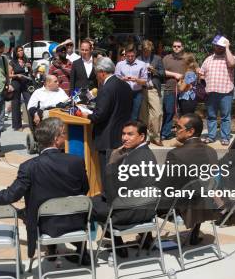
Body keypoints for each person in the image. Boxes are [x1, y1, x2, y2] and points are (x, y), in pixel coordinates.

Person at [0, 117, 90, 263]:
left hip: (46, 225)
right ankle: (80, 250)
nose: (65, 136)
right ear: (56, 139)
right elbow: (85, 189)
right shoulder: (77, 161)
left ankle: (51, 247)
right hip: (75, 221)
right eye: (63, 133)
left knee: (26, 210)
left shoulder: (29, 167)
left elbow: (9, 196)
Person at [91, 120, 158, 256]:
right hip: (148, 210)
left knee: (92, 203)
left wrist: (111, 164)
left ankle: (118, 244)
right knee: (99, 198)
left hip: (128, 213)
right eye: (123, 134)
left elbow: (113, 195)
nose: (124, 138)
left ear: (142, 137)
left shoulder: (135, 158)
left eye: (130, 134)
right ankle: (147, 239)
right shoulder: (146, 153)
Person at [159, 113, 219, 245]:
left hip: (182, 205)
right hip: (205, 202)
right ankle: (194, 233)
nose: (174, 130)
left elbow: (164, 186)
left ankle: (144, 238)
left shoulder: (176, 154)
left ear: (190, 131)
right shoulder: (211, 151)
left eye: (178, 127)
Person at [84, 57, 132, 185]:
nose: (96, 77)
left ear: (102, 72)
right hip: (122, 135)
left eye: (96, 73)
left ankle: (108, 200)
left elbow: (99, 115)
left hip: (107, 138)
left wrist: (86, 116)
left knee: (108, 174)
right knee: (120, 172)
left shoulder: (106, 88)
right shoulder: (125, 85)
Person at [199, 35, 235, 145]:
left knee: (225, 117)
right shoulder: (208, 59)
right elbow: (201, 74)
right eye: (218, 46)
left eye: (222, 46)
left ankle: (225, 137)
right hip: (210, 92)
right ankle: (211, 136)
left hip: (226, 92)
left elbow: (233, 64)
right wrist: (201, 78)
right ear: (214, 46)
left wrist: (227, 48)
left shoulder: (230, 57)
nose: (219, 48)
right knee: (211, 116)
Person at [138, 40, 165, 146]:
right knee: (144, 115)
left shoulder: (157, 58)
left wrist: (154, 71)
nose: (146, 53)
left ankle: (156, 136)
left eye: (148, 51)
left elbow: (163, 73)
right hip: (142, 88)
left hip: (153, 88)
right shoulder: (138, 59)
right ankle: (146, 136)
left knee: (157, 113)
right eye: (145, 51)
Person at [161, 40, 186, 140]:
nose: (176, 48)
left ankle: (184, 133)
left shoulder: (186, 58)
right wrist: (174, 74)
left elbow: (193, 69)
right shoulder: (167, 58)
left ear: (182, 47)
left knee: (184, 113)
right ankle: (165, 133)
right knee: (169, 111)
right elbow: (161, 71)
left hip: (185, 90)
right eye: (174, 46)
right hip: (170, 89)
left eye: (178, 46)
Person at [115, 45, 147, 121]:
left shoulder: (142, 64)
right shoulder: (120, 64)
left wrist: (136, 80)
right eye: (128, 56)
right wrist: (123, 79)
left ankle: (131, 132)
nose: (130, 58)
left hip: (137, 93)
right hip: (124, 92)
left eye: (132, 56)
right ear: (125, 54)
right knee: (123, 114)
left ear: (135, 54)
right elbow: (115, 80)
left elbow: (145, 81)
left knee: (134, 115)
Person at [9, 45, 32, 130]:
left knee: (29, 101)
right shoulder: (12, 62)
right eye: (18, 51)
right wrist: (16, 75)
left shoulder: (26, 60)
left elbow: (31, 73)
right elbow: (8, 75)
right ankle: (17, 125)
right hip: (16, 83)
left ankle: (32, 123)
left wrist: (30, 67)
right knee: (16, 103)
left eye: (21, 50)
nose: (20, 52)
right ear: (15, 52)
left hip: (26, 84)